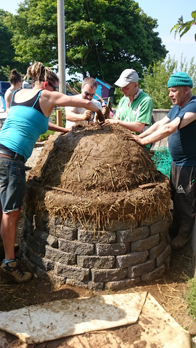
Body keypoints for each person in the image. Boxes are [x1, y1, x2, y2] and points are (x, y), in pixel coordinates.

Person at [0, 61, 104, 283]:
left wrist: (64, 130)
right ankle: (10, 263)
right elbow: (83, 102)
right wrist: (99, 110)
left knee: (1, 208)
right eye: (55, 88)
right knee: (11, 213)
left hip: (1, 153)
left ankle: (5, 248)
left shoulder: (18, 94)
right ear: (47, 84)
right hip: (11, 161)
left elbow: (34, 122)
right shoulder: (47, 96)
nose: (57, 93)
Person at [133, 72, 196, 250]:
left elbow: (169, 128)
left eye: (174, 90)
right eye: (169, 90)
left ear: (186, 89)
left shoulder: (193, 106)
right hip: (177, 162)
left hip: (189, 165)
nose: (170, 94)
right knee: (176, 196)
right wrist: (140, 137)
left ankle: (183, 237)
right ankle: (175, 227)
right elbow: (159, 124)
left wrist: (144, 142)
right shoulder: (177, 107)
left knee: (185, 200)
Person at [105, 69, 153, 135]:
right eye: (121, 87)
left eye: (126, 87)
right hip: (123, 139)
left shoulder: (145, 100)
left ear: (136, 85)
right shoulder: (123, 100)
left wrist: (117, 122)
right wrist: (107, 116)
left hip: (139, 142)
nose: (122, 90)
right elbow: (115, 120)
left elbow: (138, 127)